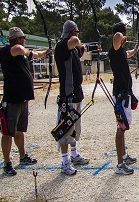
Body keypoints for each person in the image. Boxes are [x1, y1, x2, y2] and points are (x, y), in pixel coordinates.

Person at [0, 27, 50, 176]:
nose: (24, 40)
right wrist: (27, 51)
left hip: (23, 99)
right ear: (17, 39)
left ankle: (23, 156)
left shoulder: (21, 52)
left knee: (21, 131)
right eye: (23, 38)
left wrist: (47, 52)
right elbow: (19, 49)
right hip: (12, 99)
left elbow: (36, 53)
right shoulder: (7, 52)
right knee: (8, 133)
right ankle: (7, 163)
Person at [54, 20, 90, 175]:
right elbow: (76, 42)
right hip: (67, 96)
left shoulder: (73, 50)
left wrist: (86, 47)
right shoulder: (62, 46)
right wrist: (79, 42)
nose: (77, 35)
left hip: (76, 94)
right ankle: (64, 161)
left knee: (75, 128)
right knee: (65, 129)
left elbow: (82, 48)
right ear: (71, 32)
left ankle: (74, 155)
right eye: (76, 31)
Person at [108, 22, 139, 175]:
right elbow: (117, 36)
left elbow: (129, 54)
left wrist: (135, 49)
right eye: (124, 33)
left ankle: (124, 156)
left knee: (123, 126)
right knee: (120, 127)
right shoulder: (114, 50)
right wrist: (122, 36)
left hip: (125, 93)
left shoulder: (119, 51)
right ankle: (120, 165)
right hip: (120, 94)